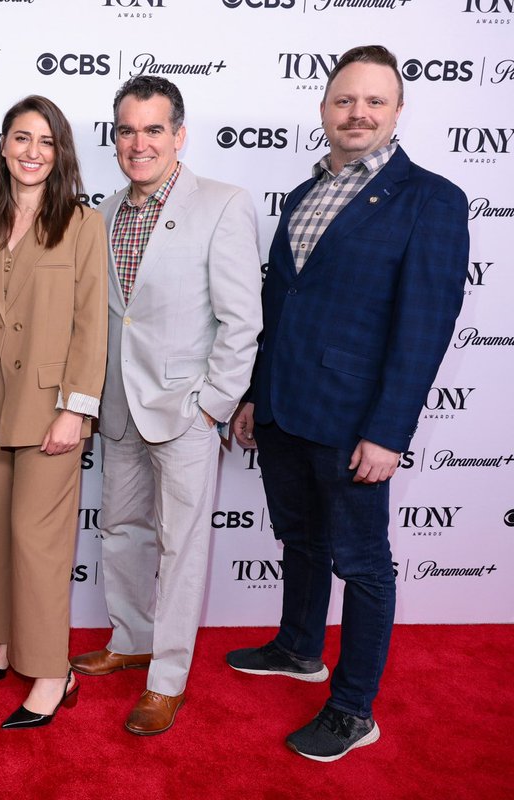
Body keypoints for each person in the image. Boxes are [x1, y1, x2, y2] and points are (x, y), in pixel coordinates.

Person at [225, 45, 470, 762]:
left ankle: (354, 708)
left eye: (374, 101)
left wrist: (390, 432)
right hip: (282, 407)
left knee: (364, 564)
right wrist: (251, 395)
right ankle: (300, 646)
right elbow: (281, 305)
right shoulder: (303, 195)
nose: (357, 113)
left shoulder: (432, 199)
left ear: (397, 112)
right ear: (324, 109)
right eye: (344, 100)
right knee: (299, 541)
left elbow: (424, 329)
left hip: (356, 421)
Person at [69, 75, 262, 736]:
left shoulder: (223, 204)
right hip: (118, 404)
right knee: (121, 530)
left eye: (154, 129)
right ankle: (132, 638)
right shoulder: (105, 211)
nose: (139, 142)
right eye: (127, 130)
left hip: (184, 410)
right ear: (115, 138)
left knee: (182, 546)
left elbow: (242, 322)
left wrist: (211, 405)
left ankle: (168, 679)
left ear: (180, 135)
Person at [0, 95, 107, 729]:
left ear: (60, 154)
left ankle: (52, 671)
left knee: (37, 541)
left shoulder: (82, 224)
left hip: (52, 409)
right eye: (21, 138)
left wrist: (76, 410)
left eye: (45, 141)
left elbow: (91, 326)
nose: (31, 151)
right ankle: (5, 642)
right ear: (2, 146)